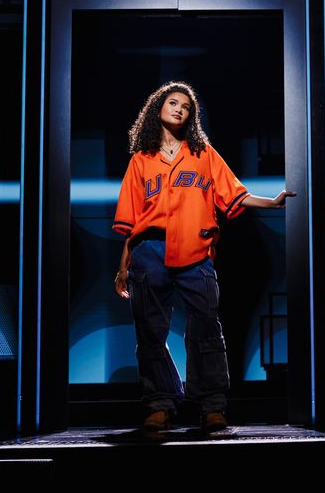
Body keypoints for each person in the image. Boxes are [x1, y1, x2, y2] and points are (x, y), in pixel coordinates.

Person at [112, 80, 296, 432]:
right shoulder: (141, 161)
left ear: (191, 117)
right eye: (173, 102)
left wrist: (271, 202)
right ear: (158, 108)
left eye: (186, 106)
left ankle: (212, 405)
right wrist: (123, 267)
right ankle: (160, 404)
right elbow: (132, 221)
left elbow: (235, 195)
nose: (179, 108)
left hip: (196, 253)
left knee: (207, 330)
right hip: (148, 253)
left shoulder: (204, 155)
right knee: (150, 334)